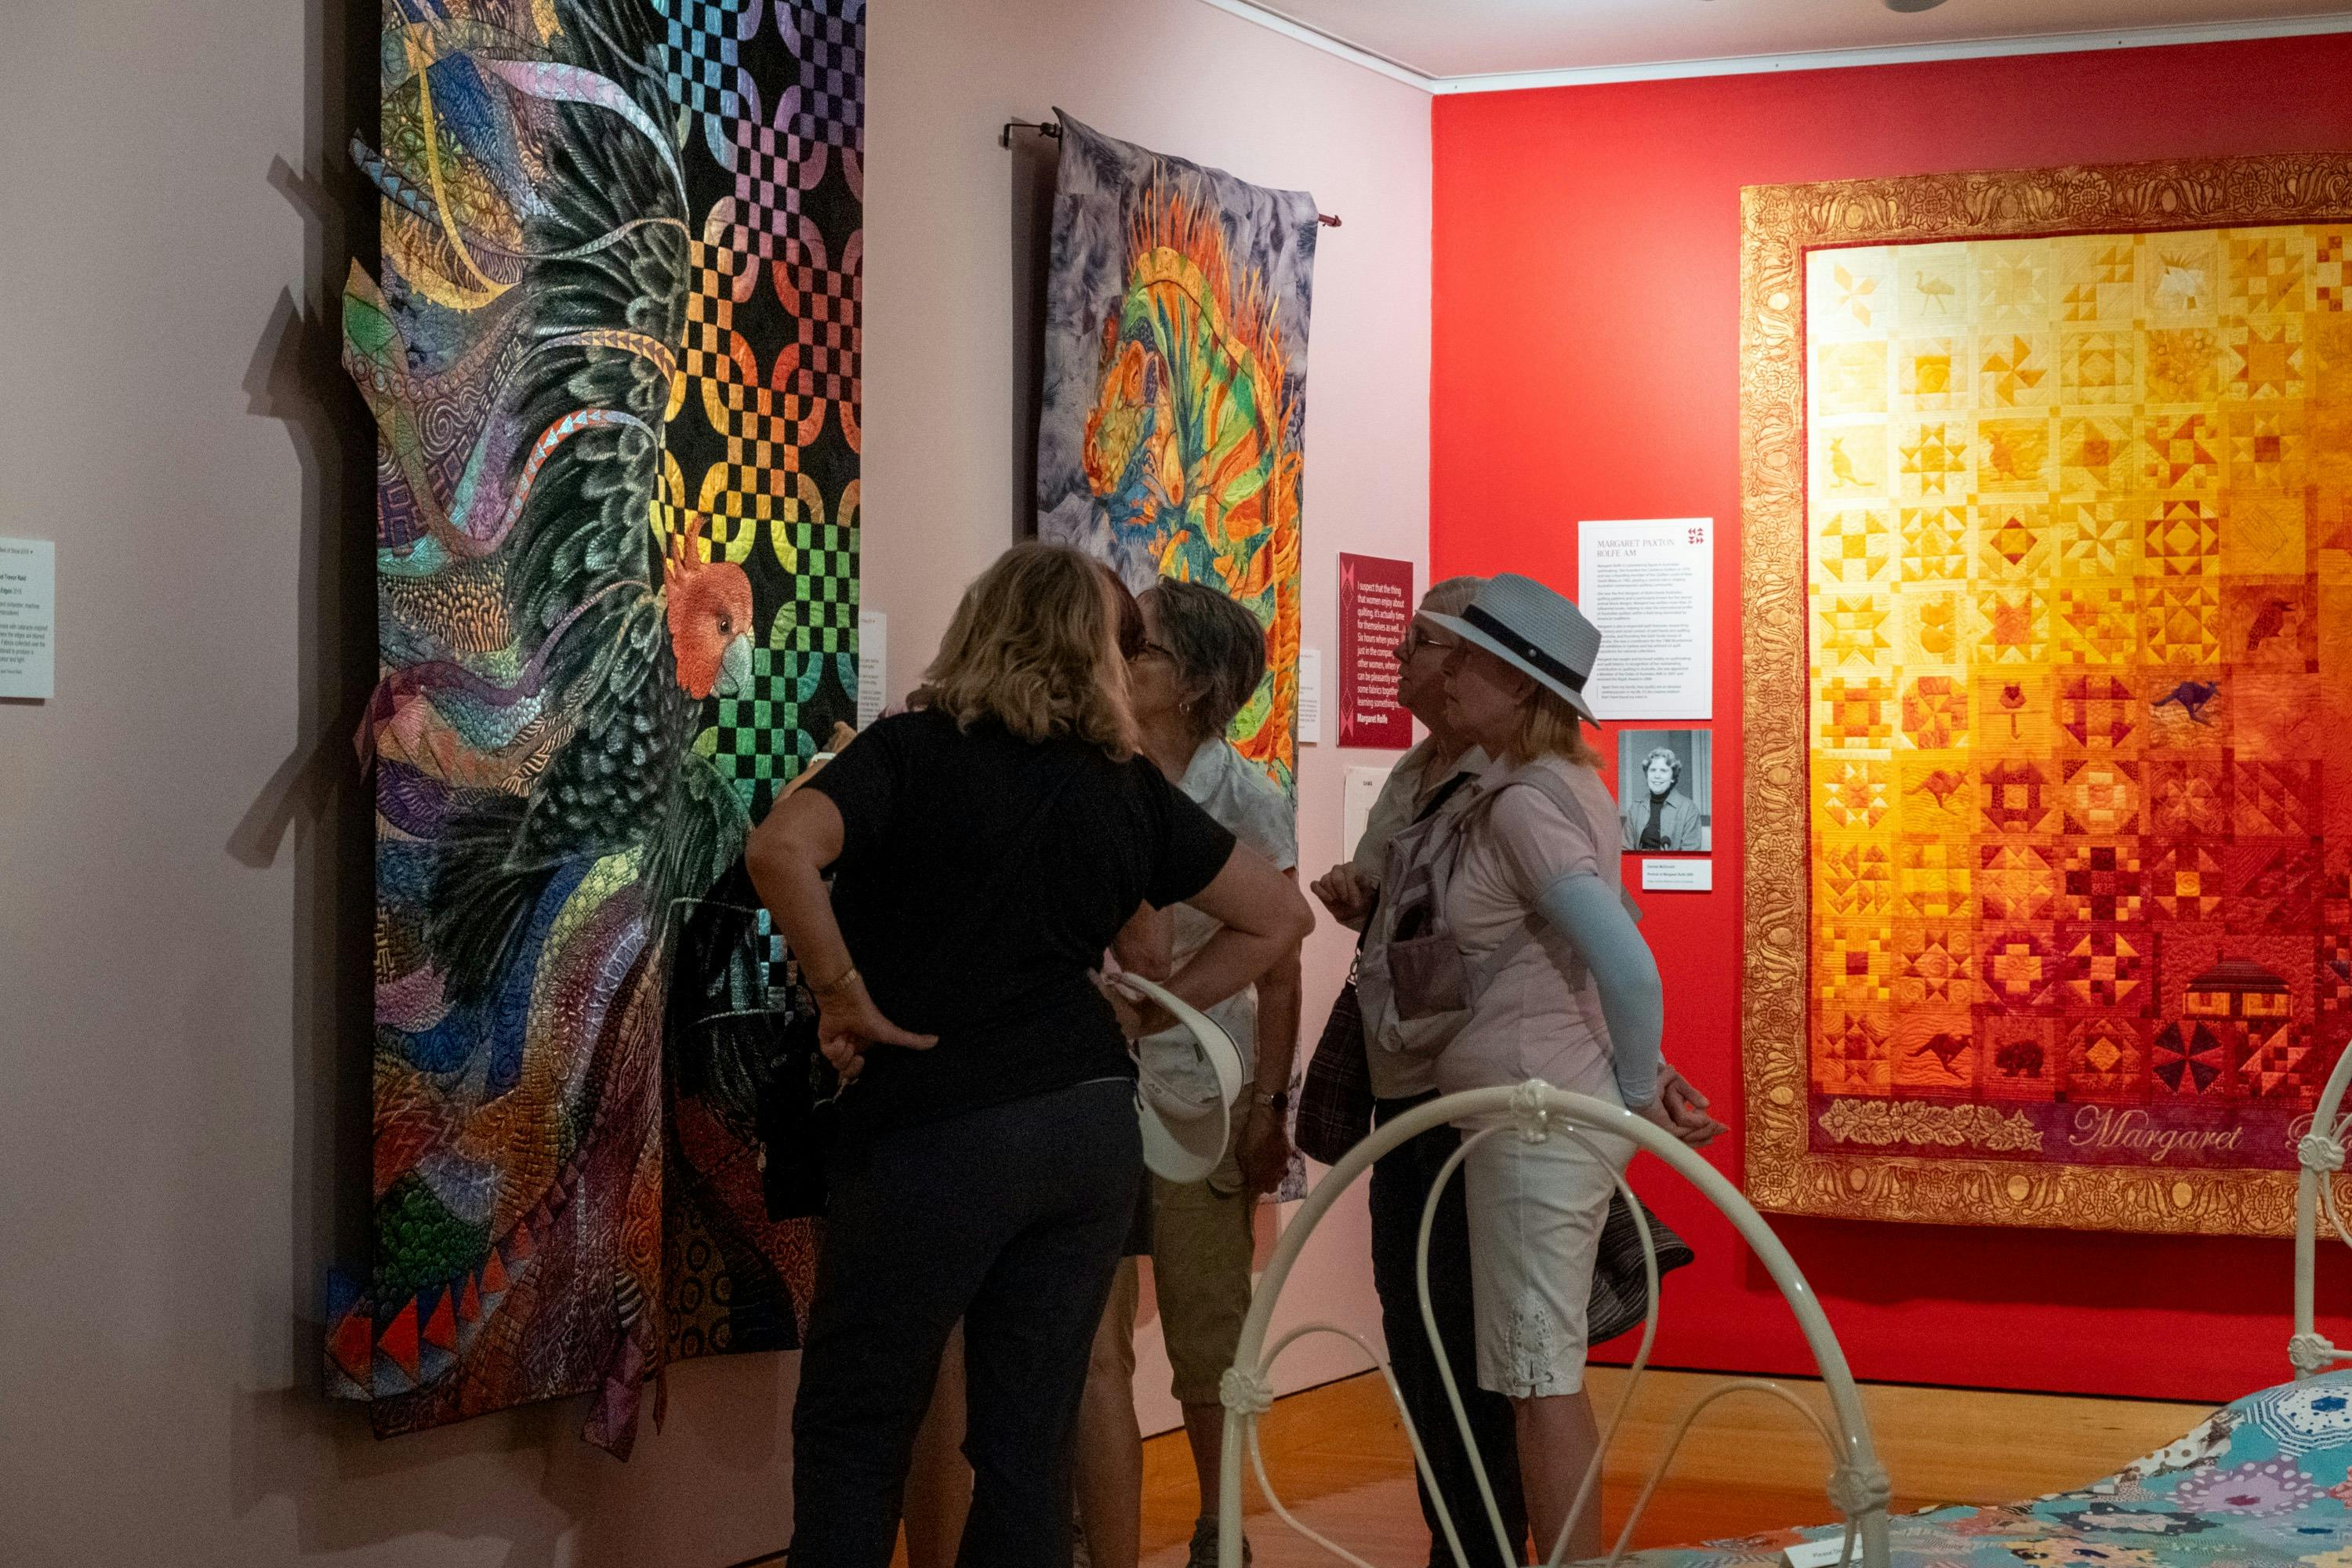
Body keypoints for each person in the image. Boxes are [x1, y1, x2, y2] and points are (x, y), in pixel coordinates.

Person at [747, 543, 1313, 1567]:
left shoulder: (909, 752)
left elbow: (780, 849)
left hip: (933, 1120)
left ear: (983, 626)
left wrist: (842, 996)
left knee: (857, 1426)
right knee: (1025, 1441)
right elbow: (1277, 918)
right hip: (1084, 1128)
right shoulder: (1123, 784)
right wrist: (1152, 1012)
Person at [1311, 579, 1719, 1567]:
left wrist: (1631, 1090)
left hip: (1533, 1121)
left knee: (1538, 1378)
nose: (1442, 673)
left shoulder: (1526, 802)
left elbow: (1623, 959)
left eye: (1463, 657)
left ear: (1511, 680)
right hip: (1507, 1117)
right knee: (1527, 1373)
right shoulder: (1526, 789)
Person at [1091, 576, 1303, 1568]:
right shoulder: (1093, 776)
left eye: (1146, 648)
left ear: (1200, 684)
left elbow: (1284, 960)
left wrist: (1270, 1103)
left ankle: (1223, 1530)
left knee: (1205, 1325)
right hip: (1094, 1087)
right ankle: (1090, 1531)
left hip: (1200, 1095)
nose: (1125, 659)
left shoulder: (1248, 801)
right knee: (1089, 1331)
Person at [1621, 745, 1704, 851]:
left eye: (1663, 771)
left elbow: (1690, 856)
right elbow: (1625, 851)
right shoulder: (1636, 808)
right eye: (1653, 770)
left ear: (1673, 777)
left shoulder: (1689, 809)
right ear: (1647, 775)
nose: (1657, 776)